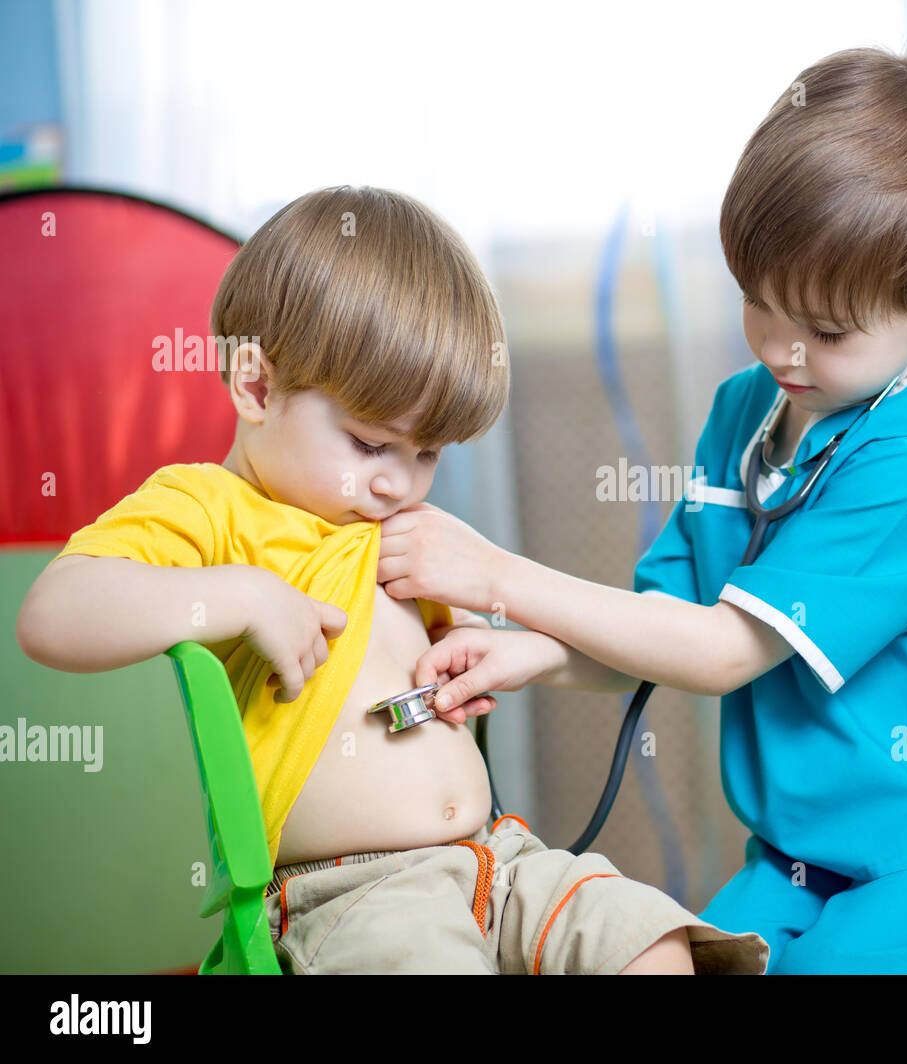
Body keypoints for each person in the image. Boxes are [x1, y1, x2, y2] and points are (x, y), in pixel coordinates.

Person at [379, 40, 907, 975]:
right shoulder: (746, 411)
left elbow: (723, 652)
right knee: (680, 956)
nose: (784, 354)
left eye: (828, 331)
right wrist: (528, 653)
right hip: (809, 857)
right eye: (761, 305)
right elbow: (665, 624)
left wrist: (497, 575)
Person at [14, 185, 767, 976]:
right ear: (257, 386)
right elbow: (54, 615)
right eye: (371, 445)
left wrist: (483, 654)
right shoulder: (213, 511)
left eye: (428, 454)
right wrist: (240, 595)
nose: (399, 484)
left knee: (649, 942)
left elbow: (600, 662)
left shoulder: (403, 538)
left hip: (502, 861)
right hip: (352, 897)